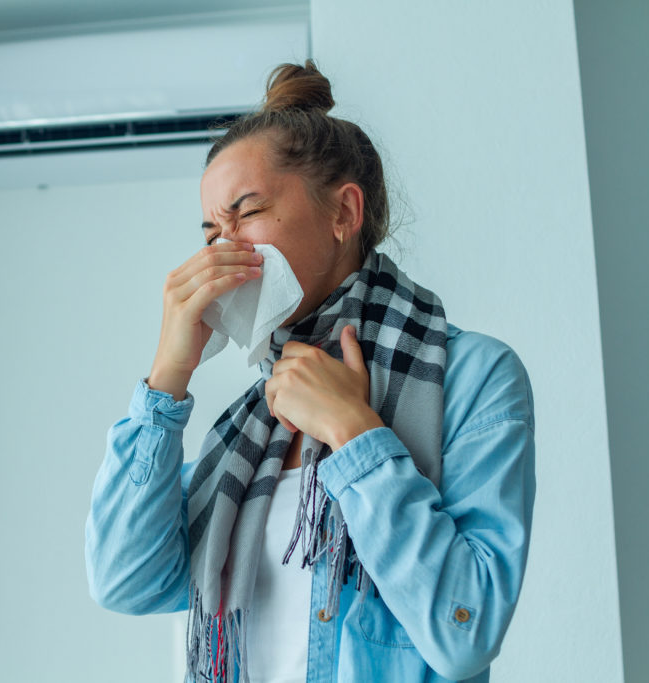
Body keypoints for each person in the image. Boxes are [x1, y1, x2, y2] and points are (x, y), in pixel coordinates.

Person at [84, 60, 535, 683]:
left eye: (246, 212)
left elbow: (467, 633)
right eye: (212, 229)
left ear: (342, 213)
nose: (223, 247)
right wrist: (168, 376)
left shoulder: (472, 377)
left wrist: (356, 434)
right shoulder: (250, 426)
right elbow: (124, 580)